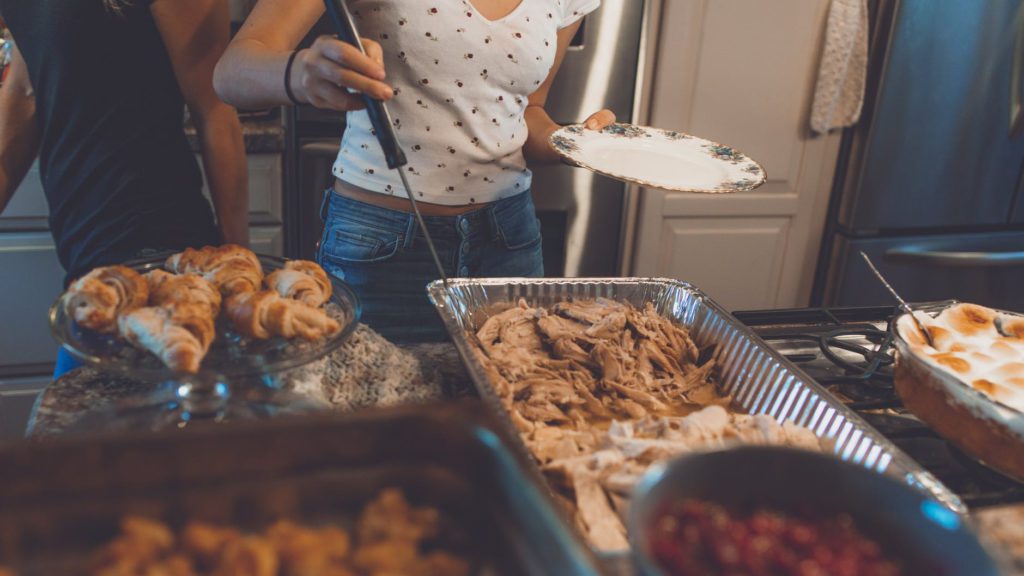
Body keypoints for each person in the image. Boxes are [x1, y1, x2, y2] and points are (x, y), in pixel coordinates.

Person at [216, 0, 615, 343]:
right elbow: (232, 72)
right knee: (374, 420)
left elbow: (529, 111)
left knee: (502, 415)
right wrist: (301, 74)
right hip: (381, 243)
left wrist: (571, 142)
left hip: (508, 241)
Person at [0, 0, 249, 378]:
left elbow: (215, 109)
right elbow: (27, 87)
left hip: (153, 258)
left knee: (96, 430)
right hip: (83, 254)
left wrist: (238, 271)